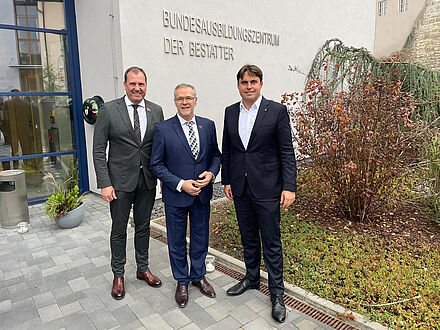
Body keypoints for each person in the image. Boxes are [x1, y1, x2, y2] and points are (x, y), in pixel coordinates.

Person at [222, 64, 297, 323]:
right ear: (239, 85)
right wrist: (227, 180)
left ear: (261, 84)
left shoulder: (276, 111)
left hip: (268, 188)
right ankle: (252, 278)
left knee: (271, 242)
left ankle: (277, 294)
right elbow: (229, 150)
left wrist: (289, 186)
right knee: (248, 237)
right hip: (241, 188)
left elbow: (287, 151)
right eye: (244, 82)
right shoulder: (230, 112)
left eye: (253, 81)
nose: (249, 86)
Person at [93, 66, 164, 300]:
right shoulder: (109, 110)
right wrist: (104, 183)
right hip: (120, 183)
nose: (137, 88)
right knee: (119, 229)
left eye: (141, 84)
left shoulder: (156, 111)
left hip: (146, 181)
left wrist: (162, 178)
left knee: (144, 226)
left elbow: (159, 149)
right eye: (132, 84)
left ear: (146, 85)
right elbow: (98, 149)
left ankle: (142, 268)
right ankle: (118, 274)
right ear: (124, 85)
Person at [150, 83, 221, 308]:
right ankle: (182, 281)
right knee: (176, 242)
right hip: (176, 197)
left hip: (202, 195)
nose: (185, 102)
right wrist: (181, 184)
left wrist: (211, 173)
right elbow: (156, 165)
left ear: (196, 100)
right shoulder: (163, 129)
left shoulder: (208, 126)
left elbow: (216, 156)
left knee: (201, 238)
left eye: (189, 98)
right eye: (180, 98)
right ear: (175, 101)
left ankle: (198, 276)